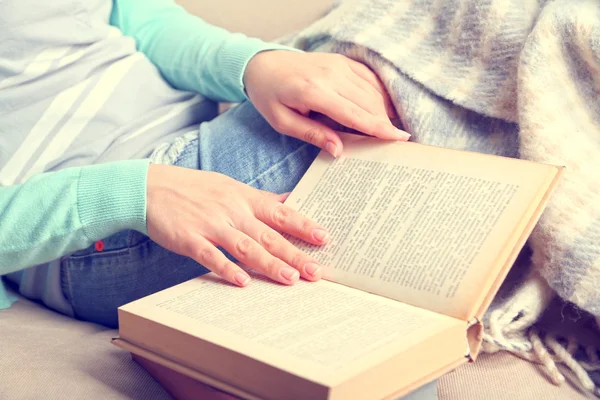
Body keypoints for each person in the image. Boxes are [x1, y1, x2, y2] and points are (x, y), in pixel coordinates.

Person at [0, 0, 408, 326]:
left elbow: (140, 19)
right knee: (398, 52)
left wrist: (254, 64)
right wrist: (136, 192)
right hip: (98, 227)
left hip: (200, 139)